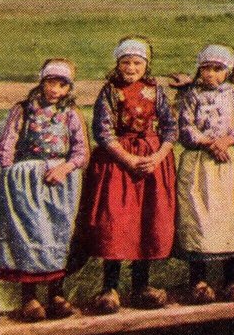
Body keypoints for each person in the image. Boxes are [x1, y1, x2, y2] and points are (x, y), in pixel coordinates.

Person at [0, 59, 89, 322]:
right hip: (26, 181)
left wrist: (65, 168)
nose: (55, 90)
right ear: (42, 82)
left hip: (60, 182)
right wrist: (11, 173)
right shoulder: (24, 110)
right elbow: (7, 144)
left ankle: (56, 295)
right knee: (28, 232)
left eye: (62, 85)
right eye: (51, 82)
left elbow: (81, 151)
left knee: (58, 232)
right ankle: (29, 298)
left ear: (68, 88)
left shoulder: (71, 114)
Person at [76, 37, 177, 314]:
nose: (131, 68)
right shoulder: (110, 91)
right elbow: (103, 131)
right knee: (117, 223)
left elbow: (170, 127)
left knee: (146, 221)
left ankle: (141, 286)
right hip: (118, 162)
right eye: (126, 62)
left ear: (146, 65)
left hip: (151, 162)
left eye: (137, 63)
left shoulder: (155, 91)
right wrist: (128, 158)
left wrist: (157, 156)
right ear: (117, 64)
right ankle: (109, 288)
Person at [176, 45, 234, 302]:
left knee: (230, 216)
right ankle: (199, 280)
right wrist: (210, 143)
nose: (211, 74)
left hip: (229, 163)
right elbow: (186, 127)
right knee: (199, 217)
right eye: (206, 68)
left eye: (217, 69)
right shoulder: (192, 95)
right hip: (201, 162)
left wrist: (227, 141)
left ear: (228, 71)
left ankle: (231, 279)